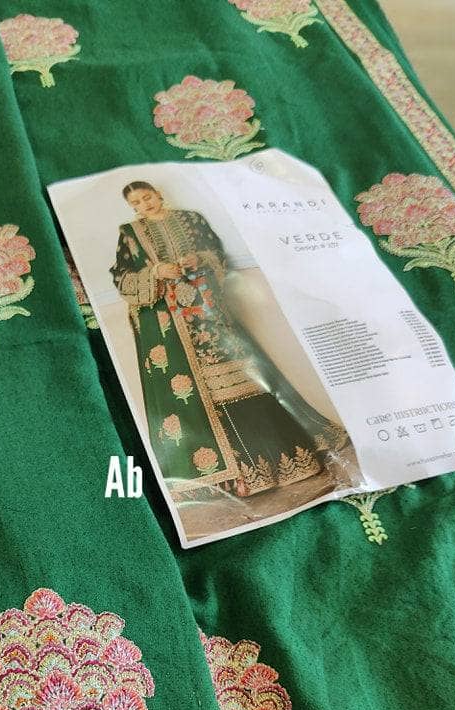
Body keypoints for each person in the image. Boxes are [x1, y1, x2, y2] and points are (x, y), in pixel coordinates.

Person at [109, 180, 343, 499]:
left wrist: (199, 260)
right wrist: (155, 273)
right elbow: (122, 278)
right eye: (136, 203)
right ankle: (234, 477)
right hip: (172, 325)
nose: (144, 204)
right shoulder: (130, 234)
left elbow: (217, 254)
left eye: (147, 196)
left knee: (244, 378)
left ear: (158, 194)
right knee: (204, 392)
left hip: (210, 312)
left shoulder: (191, 218)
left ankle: (284, 460)